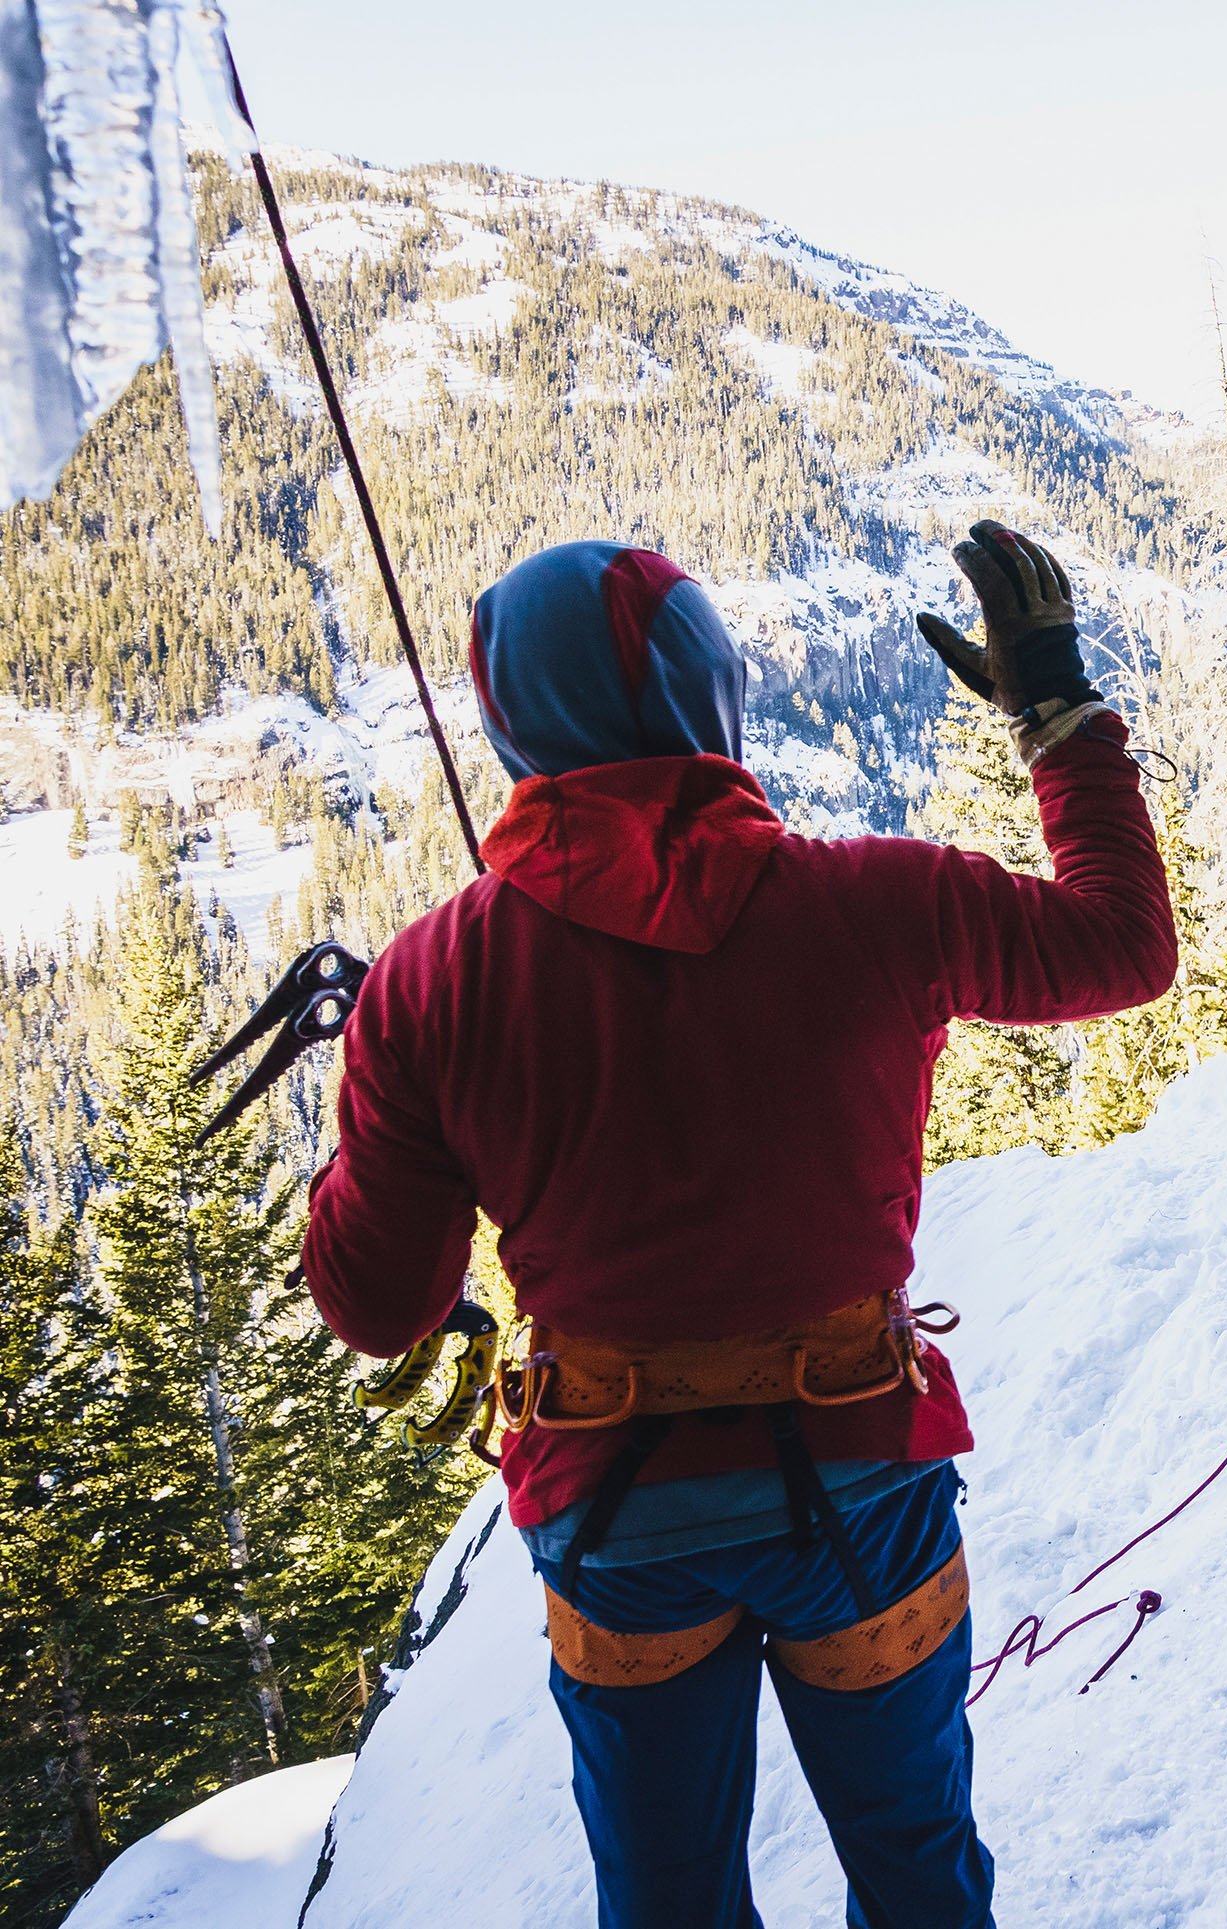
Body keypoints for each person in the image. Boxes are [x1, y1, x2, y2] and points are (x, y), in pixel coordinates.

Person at [301, 526, 1176, 1929]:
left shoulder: (432, 979)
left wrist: (360, 1128)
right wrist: (1055, 711)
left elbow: (376, 1303)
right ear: (706, 694)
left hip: (617, 1513)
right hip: (856, 1478)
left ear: (512, 719)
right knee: (915, 1868)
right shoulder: (880, 903)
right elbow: (1125, 943)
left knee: (668, 1907)